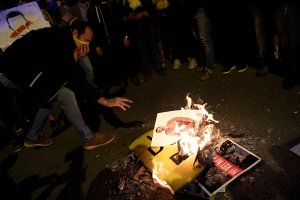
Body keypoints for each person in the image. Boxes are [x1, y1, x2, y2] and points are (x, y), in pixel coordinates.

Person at [0, 21, 133, 150]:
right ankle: (89, 139)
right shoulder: (61, 41)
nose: (87, 44)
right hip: (11, 73)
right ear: (75, 32)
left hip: (21, 69)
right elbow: (73, 77)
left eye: (90, 41)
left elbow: (61, 69)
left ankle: (32, 137)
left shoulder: (62, 37)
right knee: (65, 95)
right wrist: (105, 100)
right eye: (86, 40)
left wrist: (74, 56)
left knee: (53, 99)